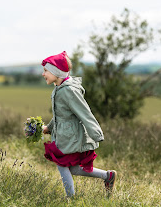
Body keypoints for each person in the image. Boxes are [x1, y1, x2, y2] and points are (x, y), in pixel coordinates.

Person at [41, 51, 116, 198]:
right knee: (73, 169)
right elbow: (60, 115)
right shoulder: (58, 89)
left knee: (61, 164)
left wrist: (96, 133)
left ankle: (71, 198)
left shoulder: (69, 90)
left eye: (46, 71)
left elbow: (84, 112)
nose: (43, 74)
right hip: (63, 135)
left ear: (56, 72)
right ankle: (108, 176)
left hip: (71, 136)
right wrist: (48, 128)